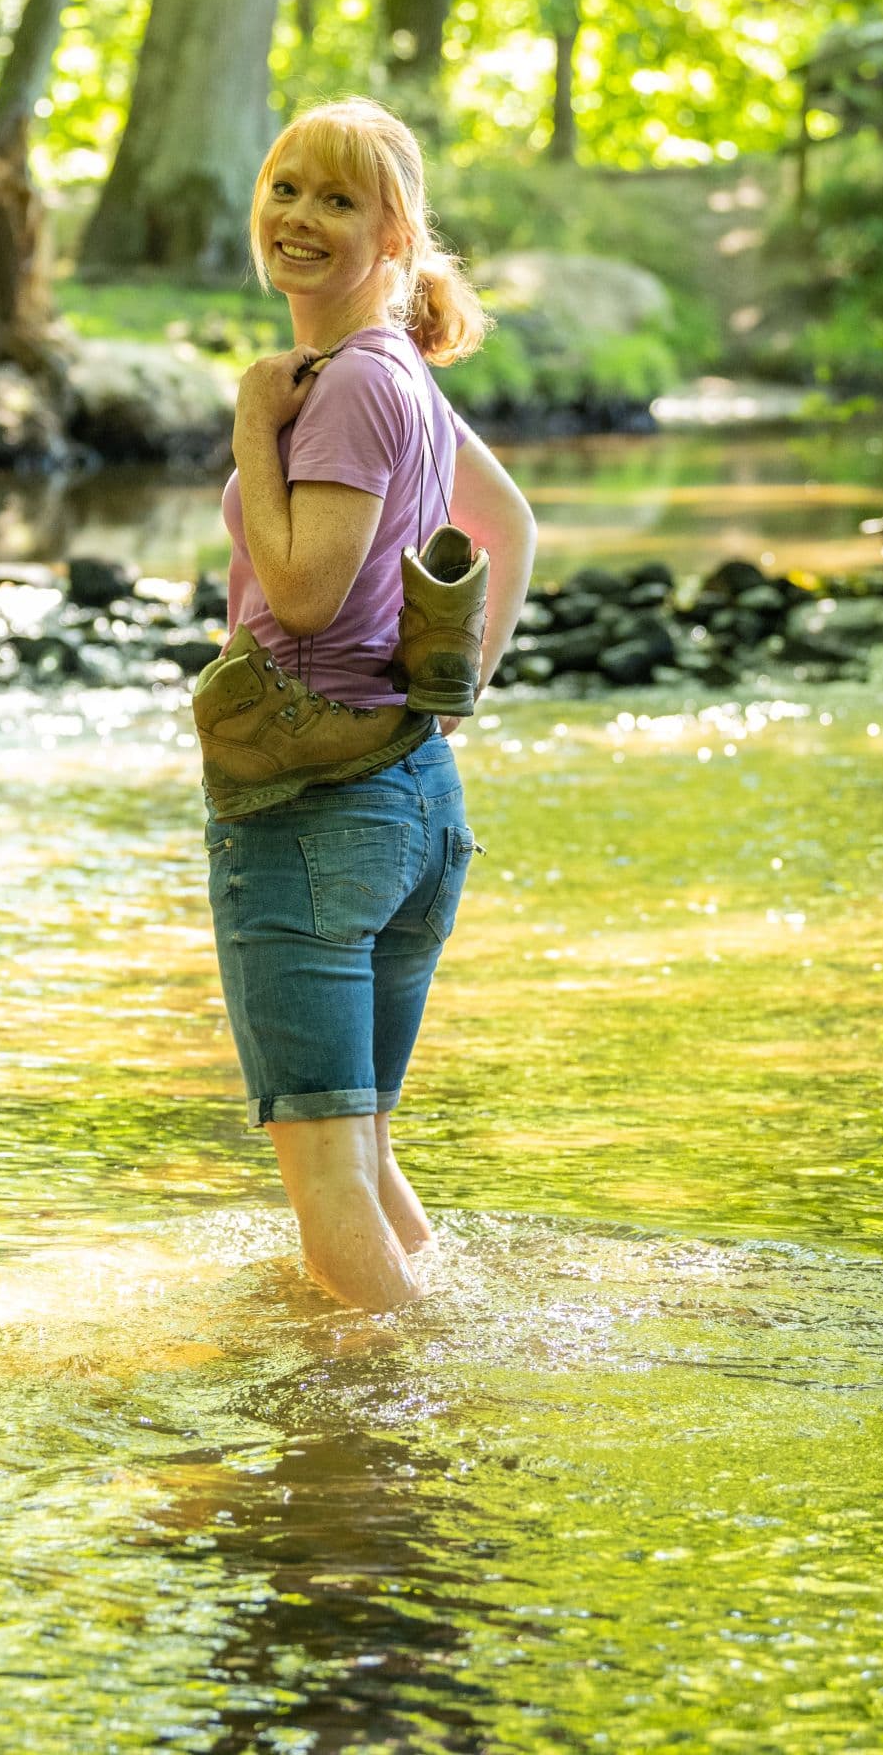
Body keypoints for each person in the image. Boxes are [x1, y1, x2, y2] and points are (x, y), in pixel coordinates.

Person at [204, 98, 538, 1311]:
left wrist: (252, 417)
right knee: (370, 1152)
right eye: (286, 186)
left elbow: (297, 597)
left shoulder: (341, 386)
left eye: (338, 200)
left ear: (393, 237)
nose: (299, 216)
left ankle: (396, 1436)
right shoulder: (399, 371)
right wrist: (451, 704)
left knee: (330, 1180)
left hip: (309, 813)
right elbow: (510, 526)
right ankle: (450, 1348)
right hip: (413, 806)